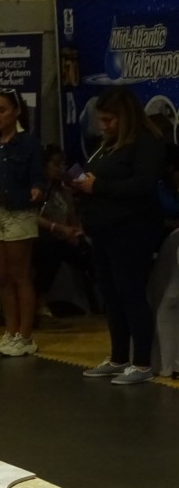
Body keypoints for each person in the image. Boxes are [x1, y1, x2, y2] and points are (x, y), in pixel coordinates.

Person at [72, 85, 165, 385]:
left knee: (130, 293)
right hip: (102, 230)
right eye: (102, 120)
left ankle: (141, 362)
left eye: (110, 120)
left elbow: (142, 186)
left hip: (131, 230)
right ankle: (118, 357)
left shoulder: (145, 142)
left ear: (124, 117)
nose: (104, 126)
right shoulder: (105, 145)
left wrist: (97, 187)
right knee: (110, 296)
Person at [0, 88, 44, 357]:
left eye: (2, 110)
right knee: (2, 277)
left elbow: (38, 177)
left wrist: (37, 189)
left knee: (20, 275)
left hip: (18, 211)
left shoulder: (28, 144)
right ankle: (10, 331)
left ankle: (25, 336)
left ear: (16, 111)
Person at [34, 144, 94, 319]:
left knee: (87, 252)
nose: (61, 168)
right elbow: (31, 216)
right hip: (42, 236)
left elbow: (72, 215)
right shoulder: (38, 187)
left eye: (63, 164)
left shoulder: (61, 188)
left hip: (64, 235)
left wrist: (76, 231)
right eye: (56, 164)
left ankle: (104, 301)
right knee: (53, 246)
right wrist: (59, 229)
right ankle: (40, 299)